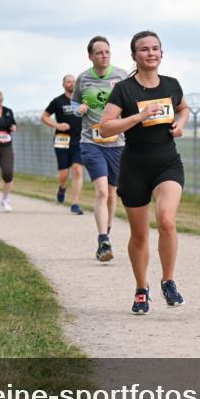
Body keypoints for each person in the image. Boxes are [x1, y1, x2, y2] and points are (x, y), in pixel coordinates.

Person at [98, 31, 189, 314]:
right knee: (139, 235)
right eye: (144, 49)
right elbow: (105, 127)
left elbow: (184, 109)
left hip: (167, 163)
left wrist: (180, 124)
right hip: (135, 166)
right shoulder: (124, 90)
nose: (151, 53)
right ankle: (141, 288)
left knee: (166, 220)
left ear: (162, 53)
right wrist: (139, 116)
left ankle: (168, 281)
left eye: (155, 49)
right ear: (135, 56)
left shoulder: (172, 85)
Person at [72, 36, 129, 261]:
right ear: (90, 56)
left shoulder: (122, 75)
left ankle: (108, 231)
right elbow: (74, 102)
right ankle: (103, 240)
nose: (104, 56)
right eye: (99, 52)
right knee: (102, 191)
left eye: (107, 52)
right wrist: (79, 109)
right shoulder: (83, 78)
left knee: (113, 192)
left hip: (117, 143)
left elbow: (131, 101)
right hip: (90, 141)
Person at [42, 74, 85, 215]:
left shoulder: (82, 101)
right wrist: (57, 125)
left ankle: (75, 203)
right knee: (64, 174)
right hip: (62, 139)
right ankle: (62, 187)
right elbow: (44, 117)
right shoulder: (58, 101)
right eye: (69, 81)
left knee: (78, 170)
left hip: (79, 139)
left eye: (74, 81)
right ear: (63, 84)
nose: (72, 83)